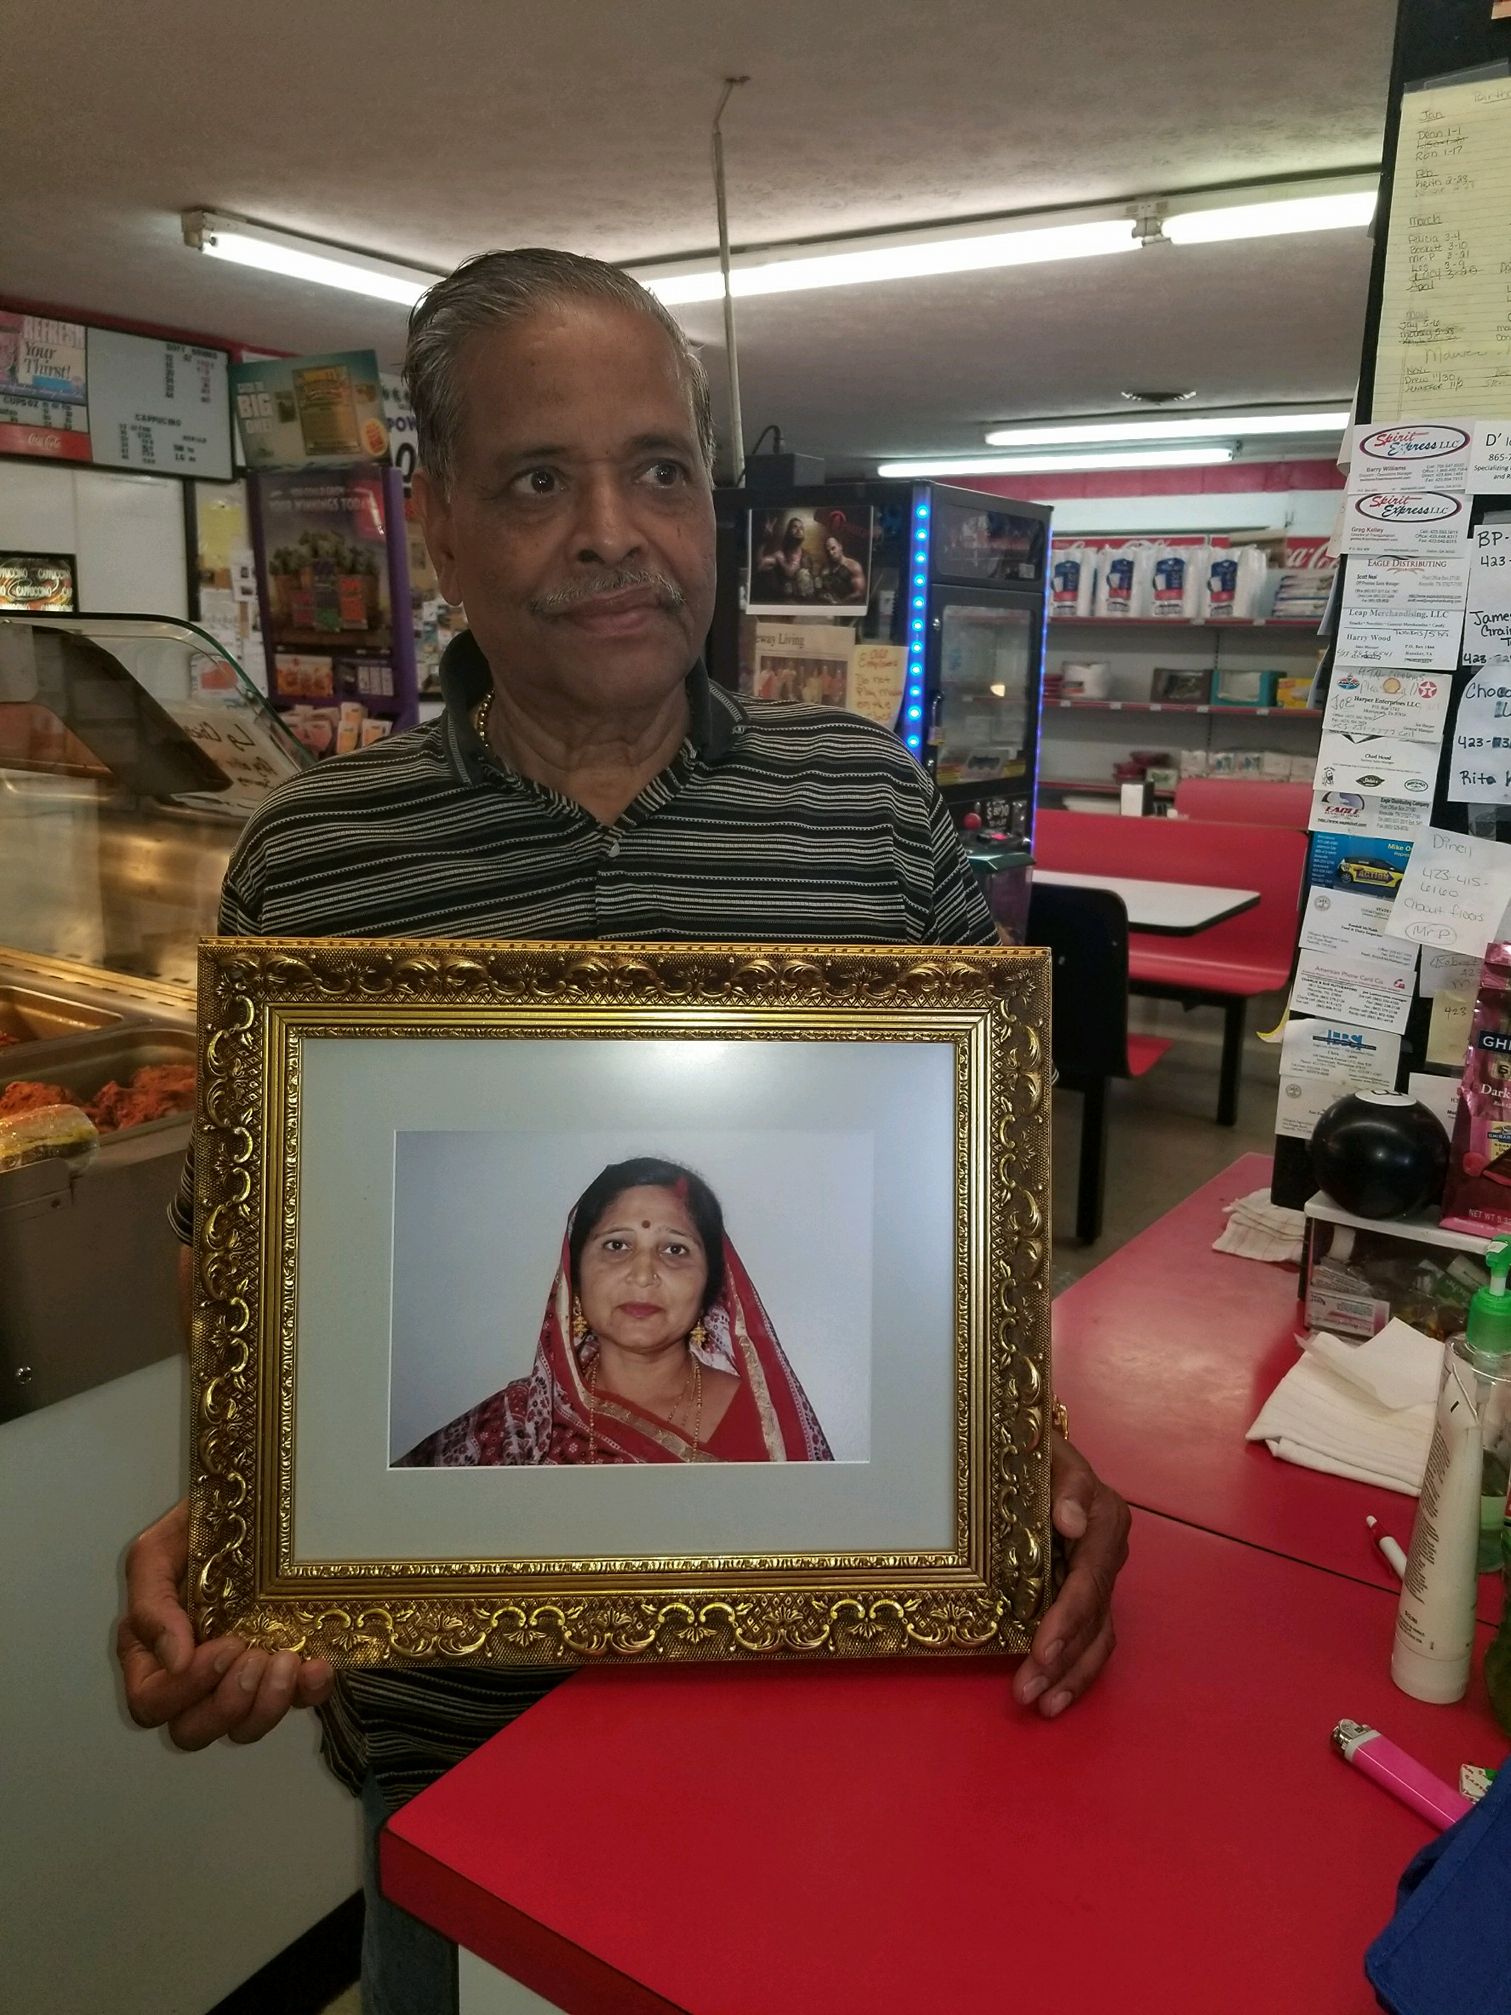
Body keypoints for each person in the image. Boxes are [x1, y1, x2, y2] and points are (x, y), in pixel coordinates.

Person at [117, 246, 1131, 2014]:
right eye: (537, 480)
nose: (612, 532)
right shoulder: (319, 861)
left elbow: (958, 1240)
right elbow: (244, 1261)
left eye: (658, 469)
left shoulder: (870, 817)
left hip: (818, 1700)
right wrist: (239, 1509)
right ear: (437, 526)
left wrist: (1026, 1455)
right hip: (455, 1750)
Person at [399, 1157, 832, 1465]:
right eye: (617, 1245)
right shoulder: (519, 1426)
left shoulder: (771, 1422)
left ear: (709, 1287)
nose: (643, 1275)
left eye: (674, 1249)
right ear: (574, 1277)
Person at [817, 526, 867, 604]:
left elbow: (860, 593)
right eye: (828, 551)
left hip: (847, 608)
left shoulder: (853, 566)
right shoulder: (825, 569)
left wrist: (839, 603)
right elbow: (821, 591)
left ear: (840, 546)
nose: (831, 553)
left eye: (833, 548)